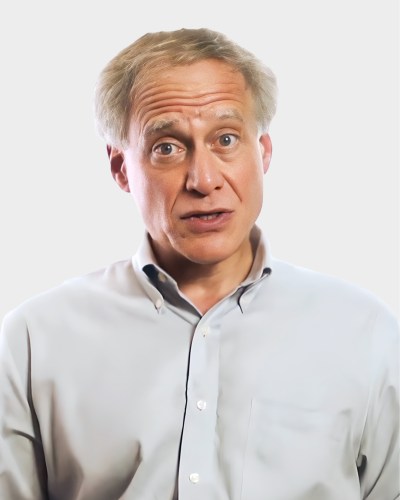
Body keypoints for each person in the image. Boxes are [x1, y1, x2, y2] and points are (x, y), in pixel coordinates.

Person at [0, 27, 398, 500]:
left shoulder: (364, 331)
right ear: (121, 168)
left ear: (263, 152)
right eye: (167, 147)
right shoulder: (35, 339)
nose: (204, 179)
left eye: (226, 138)